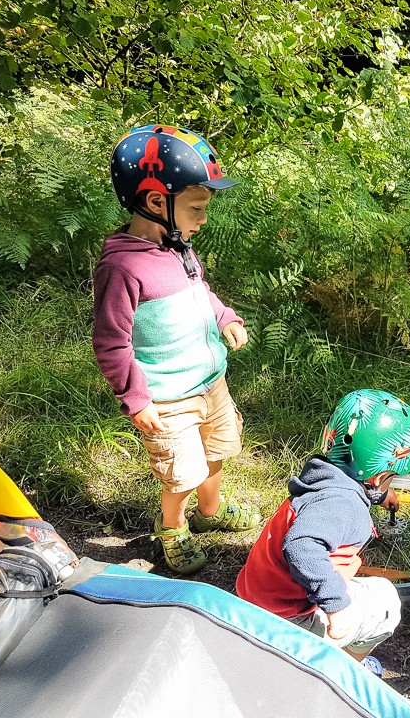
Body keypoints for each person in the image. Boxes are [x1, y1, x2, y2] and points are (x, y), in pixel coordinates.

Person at [94, 124, 260, 575]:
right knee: (180, 472)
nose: (203, 218)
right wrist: (136, 398)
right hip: (167, 397)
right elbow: (111, 342)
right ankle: (172, 529)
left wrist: (223, 315)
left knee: (217, 450)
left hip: (211, 383)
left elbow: (198, 290)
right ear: (155, 202)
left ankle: (210, 513)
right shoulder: (123, 267)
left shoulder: (177, 247)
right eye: (197, 207)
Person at [236, 389, 410, 674]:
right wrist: (337, 606)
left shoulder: (323, 477)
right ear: (378, 476)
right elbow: (302, 546)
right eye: (390, 478)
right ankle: (343, 671)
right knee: (385, 604)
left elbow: (340, 490)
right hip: (285, 616)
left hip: (255, 591)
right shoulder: (344, 505)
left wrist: (377, 495)